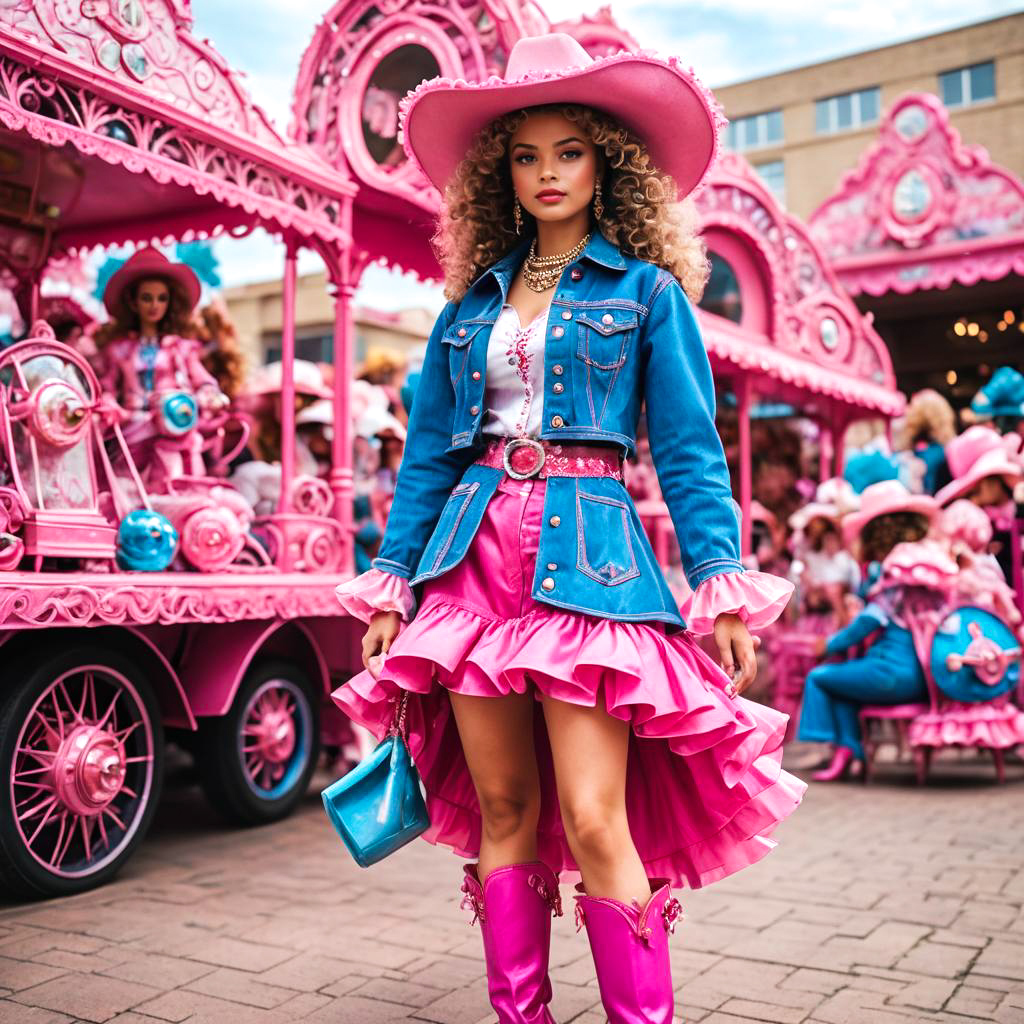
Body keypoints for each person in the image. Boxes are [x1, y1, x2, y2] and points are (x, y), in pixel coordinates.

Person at [331, 34, 802, 1023]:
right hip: (466, 566)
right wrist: (391, 582)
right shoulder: (465, 306)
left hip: (591, 563)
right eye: (525, 155)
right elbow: (426, 457)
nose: (547, 173)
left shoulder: (646, 294)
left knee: (594, 817)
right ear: (500, 173)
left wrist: (719, 583)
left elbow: (687, 448)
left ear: (606, 165)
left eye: (569, 152)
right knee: (502, 813)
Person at [798, 538, 953, 781]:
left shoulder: (893, 593)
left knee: (819, 677)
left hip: (888, 675)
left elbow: (864, 623)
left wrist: (828, 644)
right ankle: (849, 750)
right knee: (843, 689)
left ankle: (827, 738)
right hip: (924, 682)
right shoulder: (936, 601)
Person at [95, 248, 228, 490]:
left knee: (176, 483)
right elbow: (107, 387)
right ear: (133, 302)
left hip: (174, 425)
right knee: (126, 487)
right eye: (147, 298)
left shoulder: (180, 348)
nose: (154, 305)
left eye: (161, 298)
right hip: (132, 428)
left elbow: (203, 381)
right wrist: (110, 406)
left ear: (170, 301)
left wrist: (210, 396)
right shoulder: (119, 350)